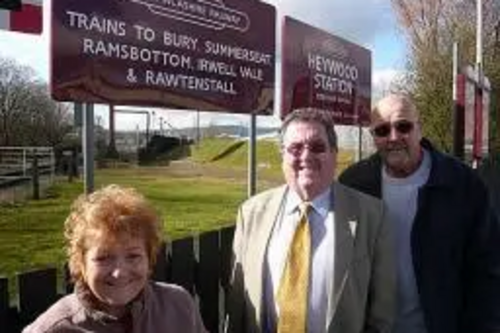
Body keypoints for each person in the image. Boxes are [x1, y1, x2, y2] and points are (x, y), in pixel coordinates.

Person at [339, 93, 500, 333]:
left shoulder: (461, 183)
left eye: (403, 126)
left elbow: (488, 268)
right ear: (373, 137)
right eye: (382, 131)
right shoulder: (354, 183)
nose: (393, 137)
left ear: (420, 129)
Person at [227, 108, 395, 333]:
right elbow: (238, 302)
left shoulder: (372, 215)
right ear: (282, 156)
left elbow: (382, 315)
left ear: (334, 154)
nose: (306, 156)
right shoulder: (251, 213)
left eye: (317, 147)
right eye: (295, 148)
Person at [23, 184, 207, 333]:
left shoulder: (178, 305)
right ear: (81, 264)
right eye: (103, 258)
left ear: (149, 259)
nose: (119, 273)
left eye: (133, 256)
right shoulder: (53, 328)